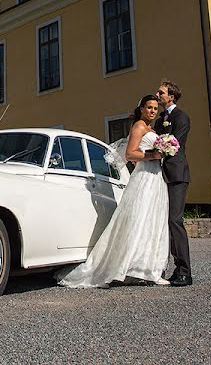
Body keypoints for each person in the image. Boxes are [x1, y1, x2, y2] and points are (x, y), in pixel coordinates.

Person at [56, 95, 169, 288]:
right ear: (141, 109)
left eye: (155, 109)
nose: (152, 111)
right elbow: (130, 154)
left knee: (153, 221)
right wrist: (154, 155)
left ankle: (148, 269)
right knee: (138, 220)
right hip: (144, 177)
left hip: (156, 177)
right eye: (149, 107)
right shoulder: (139, 127)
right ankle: (119, 268)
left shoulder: (152, 129)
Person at [156, 79, 192, 287]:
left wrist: (160, 149)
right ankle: (170, 268)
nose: (158, 95)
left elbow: (175, 143)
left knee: (175, 221)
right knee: (165, 222)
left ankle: (185, 271)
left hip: (177, 174)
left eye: (161, 93)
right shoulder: (161, 120)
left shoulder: (181, 117)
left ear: (171, 96)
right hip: (161, 175)